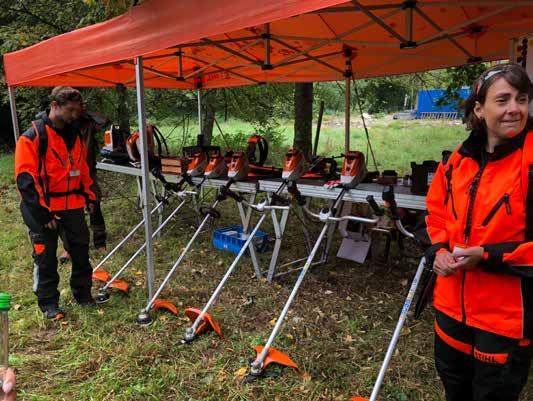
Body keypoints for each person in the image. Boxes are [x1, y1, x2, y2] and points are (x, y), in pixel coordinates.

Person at [425, 63, 533, 401]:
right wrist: (439, 250)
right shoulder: (457, 161)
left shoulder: (530, 163)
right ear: (479, 109)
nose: (514, 108)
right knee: (454, 388)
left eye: (522, 99)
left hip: (505, 317)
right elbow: (435, 213)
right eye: (502, 100)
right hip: (450, 306)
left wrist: (487, 256)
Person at [14, 86, 97, 320]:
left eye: (77, 110)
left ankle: (83, 294)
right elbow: (26, 180)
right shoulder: (33, 137)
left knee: (80, 252)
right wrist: (43, 214)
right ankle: (48, 302)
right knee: (46, 258)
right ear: (54, 106)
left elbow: (82, 169)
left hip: (72, 205)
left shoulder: (75, 135)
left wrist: (90, 196)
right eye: (70, 110)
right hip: (44, 208)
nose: (74, 115)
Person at [58, 111, 108, 264]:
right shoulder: (60, 127)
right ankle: (69, 248)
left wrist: (85, 113)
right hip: (67, 175)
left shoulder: (88, 123)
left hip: (87, 171)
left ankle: (100, 242)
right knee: (68, 211)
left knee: (94, 204)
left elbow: (103, 120)